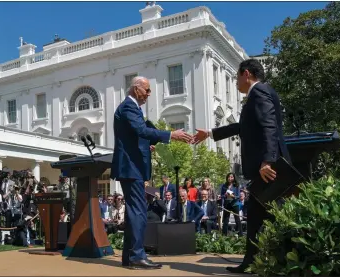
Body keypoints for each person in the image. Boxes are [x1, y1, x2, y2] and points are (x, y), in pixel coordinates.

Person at [193, 59, 291, 273]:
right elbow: (242, 126)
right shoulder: (258, 94)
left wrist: (267, 160)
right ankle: (251, 262)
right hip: (262, 168)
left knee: (276, 216)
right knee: (256, 216)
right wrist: (210, 133)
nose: (236, 82)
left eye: (237, 77)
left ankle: (285, 262)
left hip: (267, 169)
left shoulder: (260, 92)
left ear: (246, 74)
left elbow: (269, 126)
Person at [111, 76, 192, 269]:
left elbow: (134, 135)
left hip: (132, 167)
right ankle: (137, 256)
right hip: (131, 168)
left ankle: (130, 256)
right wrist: (171, 135)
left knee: (134, 212)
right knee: (138, 211)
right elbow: (140, 130)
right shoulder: (129, 107)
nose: (149, 94)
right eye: (146, 90)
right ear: (136, 89)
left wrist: (147, 144)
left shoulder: (132, 109)